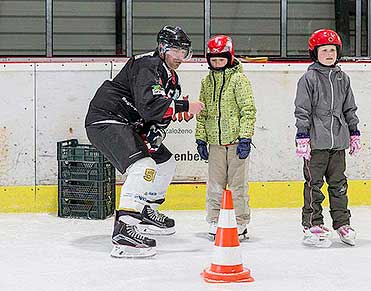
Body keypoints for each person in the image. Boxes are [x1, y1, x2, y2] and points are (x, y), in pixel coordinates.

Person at [85, 25, 204, 258]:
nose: (180, 57)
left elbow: (157, 116)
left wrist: (155, 133)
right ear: (162, 48)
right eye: (175, 51)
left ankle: (146, 210)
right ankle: (125, 230)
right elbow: (149, 105)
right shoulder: (147, 65)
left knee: (165, 163)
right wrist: (185, 106)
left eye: (184, 52)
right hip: (107, 119)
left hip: (129, 124)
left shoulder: (171, 77)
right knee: (143, 168)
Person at [294, 29, 361, 247]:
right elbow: (302, 110)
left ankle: (342, 223)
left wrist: (354, 132)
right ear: (315, 53)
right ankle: (312, 222)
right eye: (324, 50)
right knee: (314, 185)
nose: (329, 54)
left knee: (339, 185)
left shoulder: (343, 78)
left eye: (333, 50)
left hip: (338, 143)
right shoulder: (308, 79)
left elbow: (349, 108)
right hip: (315, 143)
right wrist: (302, 136)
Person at [195, 35, 257, 241]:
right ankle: (214, 219)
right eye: (213, 59)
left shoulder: (239, 80)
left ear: (229, 58)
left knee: (238, 185)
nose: (217, 63)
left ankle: (240, 222)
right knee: (215, 185)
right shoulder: (206, 82)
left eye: (221, 59)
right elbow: (203, 113)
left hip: (237, 142)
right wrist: (201, 138)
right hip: (215, 142)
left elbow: (248, 110)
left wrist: (246, 137)